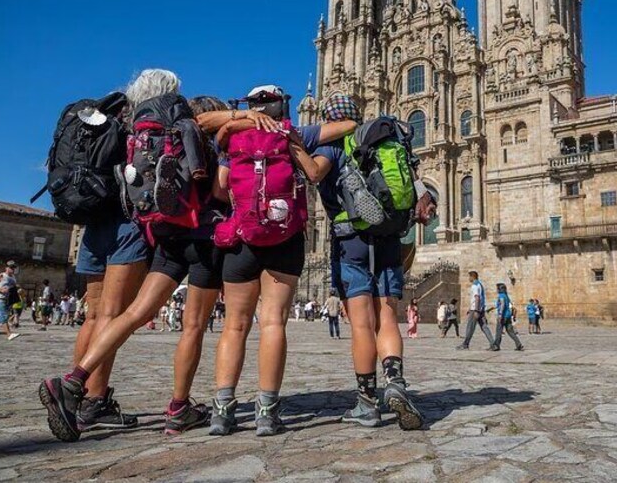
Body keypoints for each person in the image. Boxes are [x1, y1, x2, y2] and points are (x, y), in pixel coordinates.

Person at [39, 76, 243, 442]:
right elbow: (217, 190)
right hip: (186, 235)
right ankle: (176, 408)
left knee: (119, 314)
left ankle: (74, 381)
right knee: (191, 326)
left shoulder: (128, 124)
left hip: (152, 234)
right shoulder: (200, 132)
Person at [203, 85, 359, 437]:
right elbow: (349, 125)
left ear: (252, 106)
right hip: (285, 239)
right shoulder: (294, 132)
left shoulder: (232, 139)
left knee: (234, 326)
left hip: (242, 238)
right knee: (273, 323)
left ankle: (222, 411)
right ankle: (267, 412)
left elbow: (219, 188)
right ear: (281, 106)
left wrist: (238, 123)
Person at [309, 94, 424, 430]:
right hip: (388, 238)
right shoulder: (384, 141)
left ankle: (366, 403)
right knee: (387, 317)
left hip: (350, 242)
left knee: (362, 325)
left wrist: (295, 144)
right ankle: (395, 382)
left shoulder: (332, 146)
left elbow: (315, 173)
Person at [457, 271, 495, 351]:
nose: (469, 279)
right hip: (480, 309)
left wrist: (476, 310)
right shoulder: (480, 285)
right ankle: (493, 344)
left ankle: (465, 344)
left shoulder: (475, 286)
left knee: (470, 327)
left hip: (475, 310)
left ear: (472, 277)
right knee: (484, 327)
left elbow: (477, 298)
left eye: (469, 277)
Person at [491, 283, 524, 351]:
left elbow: (502, 304)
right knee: (510, 331)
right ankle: (518, 344)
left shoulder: (501, 296)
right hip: (508, 316)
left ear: (499, 289)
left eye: (497, 288)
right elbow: (504, 304)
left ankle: (496, 346)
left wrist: (500, 314)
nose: (496, 290)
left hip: (503, 316)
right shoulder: (506, 296)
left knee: (499, 331)